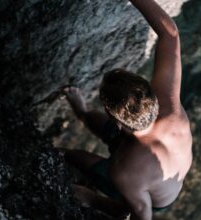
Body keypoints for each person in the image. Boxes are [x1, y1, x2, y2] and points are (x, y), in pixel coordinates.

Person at [63, 0, 192, 219]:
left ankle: (83, 123)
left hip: (151, 191)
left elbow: (140, 213)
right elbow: (170, 35)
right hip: (144, 149)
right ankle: (83, 113)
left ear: (118, 122)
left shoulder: (123, 171)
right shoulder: (168, 104)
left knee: (72, 156)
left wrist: (94, 200)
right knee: (91, 119)